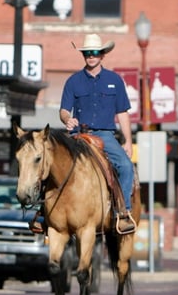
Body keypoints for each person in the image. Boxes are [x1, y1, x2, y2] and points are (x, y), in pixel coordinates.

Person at [31, 33, 137, 235]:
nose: (91, 56)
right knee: (50, 162)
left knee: (125, 166)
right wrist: (66, 119)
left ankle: (122, 213)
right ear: (83, 55)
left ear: (102, 55)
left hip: (105, 136)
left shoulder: (115, 80)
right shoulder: (73, 81)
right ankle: (42, 213)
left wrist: (128, 141)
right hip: (78, 136)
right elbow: (63, 110)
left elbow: (122, 113)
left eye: (95, 52)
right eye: (87, 53)